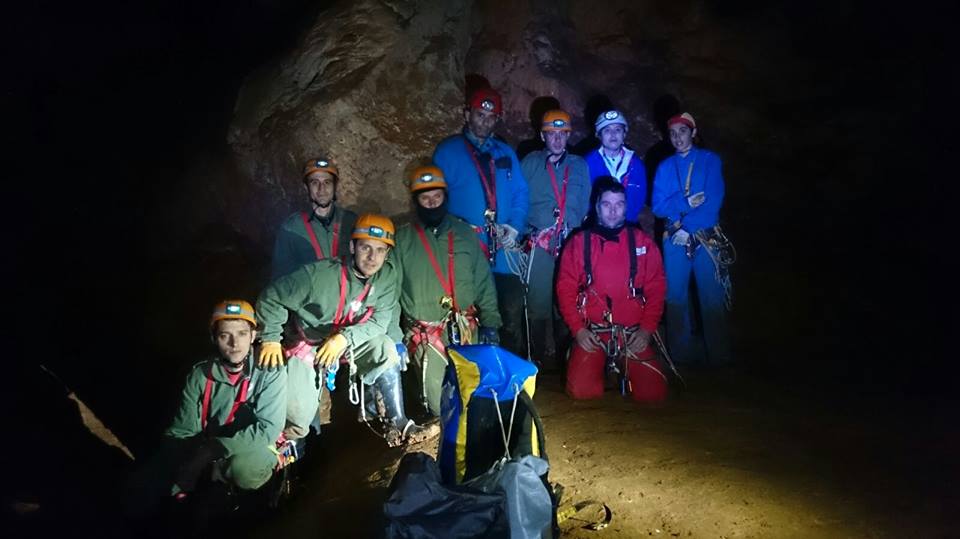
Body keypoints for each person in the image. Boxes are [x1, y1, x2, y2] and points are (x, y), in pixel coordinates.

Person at [257, 215, 438, 447]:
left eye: (380, 250)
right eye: (366, 248)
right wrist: (270, 338)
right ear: (352, 247)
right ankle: (278, 450)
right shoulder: (319, 276)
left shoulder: (386, 277)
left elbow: (380, 321)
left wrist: (344, 339)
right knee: (299, 419)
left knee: (386, 348)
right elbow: (271, 297)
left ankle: (399, 422)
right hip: (308, 345)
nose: (372, 258)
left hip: (343, 343)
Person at [125, 300, 287, 517]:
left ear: (253, 335)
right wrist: (169, 470)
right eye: (224, 336)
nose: (234, 343)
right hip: (208, 451)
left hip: (251, 448)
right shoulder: (200, 375)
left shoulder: (269, 371)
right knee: (144, 485)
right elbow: (183, 430)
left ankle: (250, 501)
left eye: (241, 333)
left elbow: (268, 428)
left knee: (243, 470)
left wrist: (208, 453)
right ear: (214, 338)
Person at [393, 165, 502, 416]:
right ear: (416, 201)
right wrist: (394, 337)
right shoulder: (402, 240)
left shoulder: (464, 233)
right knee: (438, 403)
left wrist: (491, 323)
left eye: (437, 197)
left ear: (445, 197)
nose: (431, 203)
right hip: (426, 334)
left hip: (466, 328)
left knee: (478, 398)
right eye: (425, 198)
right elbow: (391, 294)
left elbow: (483, 280)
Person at [432, 86, 530, 357]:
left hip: (502, 250)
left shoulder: (505, 153)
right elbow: (435, 199)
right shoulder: (448, 152)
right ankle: (471, 373)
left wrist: (515, 226)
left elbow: (521, 192)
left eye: (491, 116)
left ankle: (511, 375)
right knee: (469, 310)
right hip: (466, 248)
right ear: (467, 114)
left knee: (509, 306)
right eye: (479, 114)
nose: (485, 121)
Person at [556, 178, 668, 402]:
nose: (613, 211)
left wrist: (646, 331)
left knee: (653, 394)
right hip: (594, 334)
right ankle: (596, 367)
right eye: (607, 204)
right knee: (582, 391)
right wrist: (578, 330)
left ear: (626, 207)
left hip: (631, 335)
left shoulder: (642, 243)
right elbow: (565, 289)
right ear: (597, 207)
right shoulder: (579, 243)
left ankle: (622, 369)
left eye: (619, 204)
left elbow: (657, 289)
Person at [651, 112, 732, 365]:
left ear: (693, 133)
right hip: (675, 239)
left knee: (711, 296)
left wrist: (687, 225)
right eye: (673, 134)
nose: (678, 138)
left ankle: (719, 356)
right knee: (675, 296)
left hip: (705, 237)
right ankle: (680, 355)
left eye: (683, 132)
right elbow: (657, 206)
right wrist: (685, 202)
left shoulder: (710, 161)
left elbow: (713, 200)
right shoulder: (664, 167)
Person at [519, 109, 591, 370]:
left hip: (568, 242)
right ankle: (537, 359)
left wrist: (570, 230)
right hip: (539, 242)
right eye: (552, 134)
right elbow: (520, 200)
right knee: (537, 300)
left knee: (568, 299)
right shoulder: (530, 163)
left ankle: (565, 358)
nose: (558, 140)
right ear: (542, 135)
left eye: (563, 134)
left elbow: (584, 205)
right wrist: (530, 232)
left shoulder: (579, 166)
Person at [271, 157, 358, 280]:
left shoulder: (351, 222)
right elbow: (280, 280)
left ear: (335, 186)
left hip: (346, 295)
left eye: (327, 182)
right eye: (315, 182)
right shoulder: (291, 228)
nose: (321, 189)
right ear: (306, 187)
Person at [583, 109, 654, 235]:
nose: (613, 134)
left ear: (624, 134)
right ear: (599, 135)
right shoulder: (588, 163)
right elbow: (584, 197)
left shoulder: (635, 164)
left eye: (618, 130)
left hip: (627, 225)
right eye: (607, 130)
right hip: (596, 226)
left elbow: (639, 197)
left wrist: (624, 222)